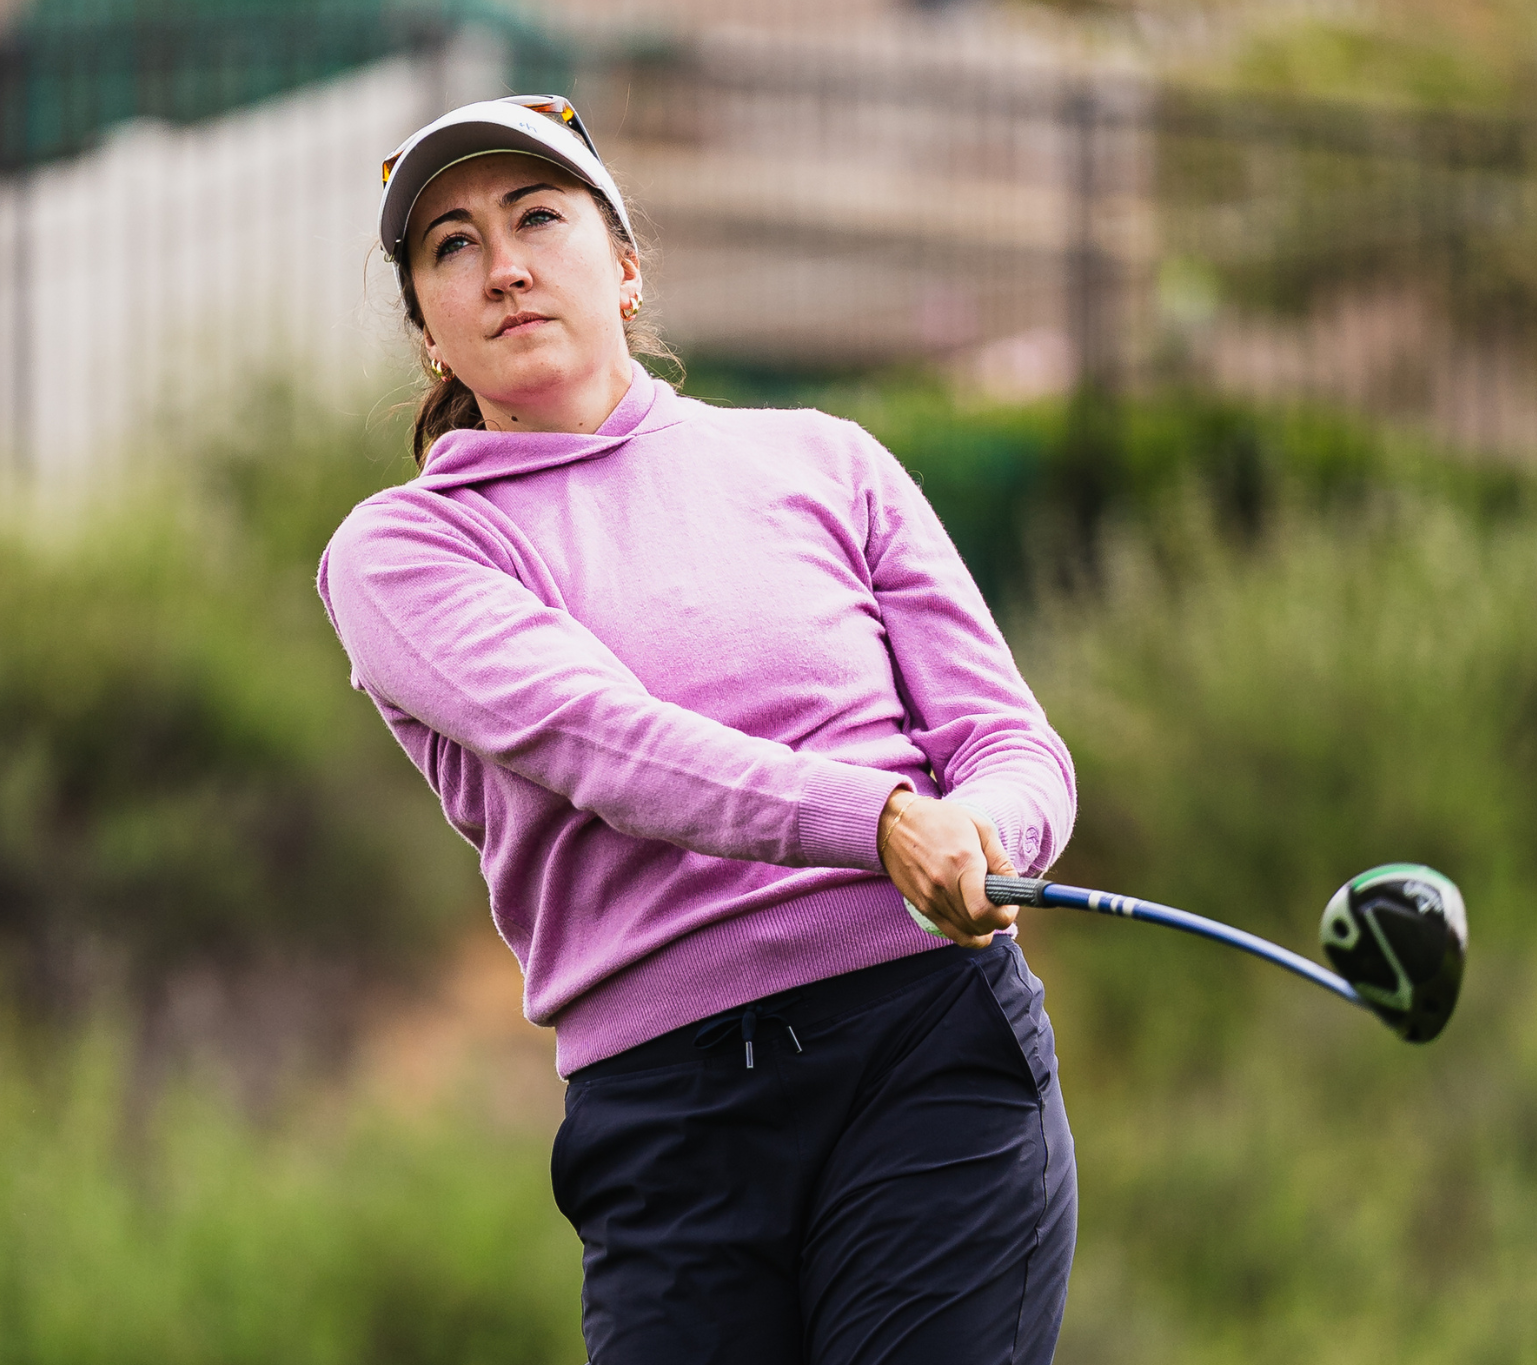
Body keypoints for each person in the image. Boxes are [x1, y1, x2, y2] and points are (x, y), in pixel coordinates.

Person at [318, 95, 1079, 1365]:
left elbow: (1013, 746)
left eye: (536, 217)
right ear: (430, 334)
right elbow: (600, 743)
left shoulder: (826, 461)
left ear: (622, 266)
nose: (500, 264)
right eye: (448, 246)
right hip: (669, 1123)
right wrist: (876, 820)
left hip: (925, 1051)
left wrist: (979, 835)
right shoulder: (401, 552)